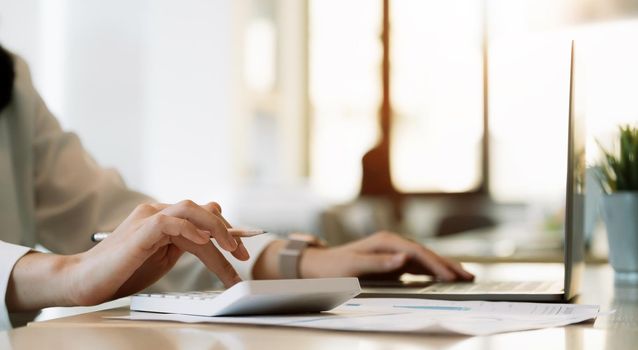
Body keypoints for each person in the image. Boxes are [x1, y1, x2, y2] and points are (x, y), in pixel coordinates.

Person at [0, 45, 473, 330]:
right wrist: (65, 276)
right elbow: (88, 261)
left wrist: (303, 262)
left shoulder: (10, 77)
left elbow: (106, 221)